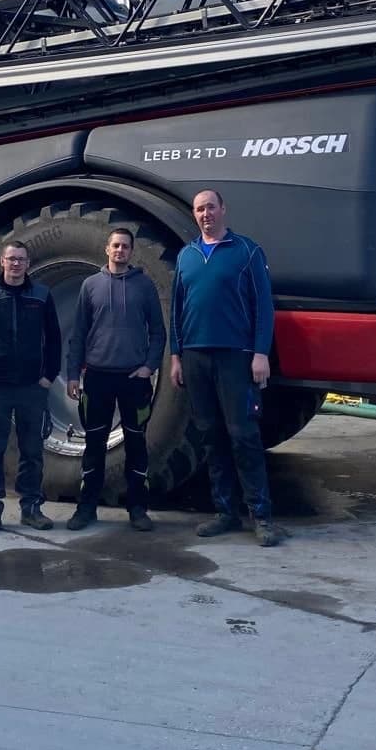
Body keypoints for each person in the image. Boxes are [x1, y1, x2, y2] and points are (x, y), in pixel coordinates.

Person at [169, 188, 280, 547]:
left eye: (211, 208)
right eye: (199, 209)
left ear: (223, 210)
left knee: (243, 435)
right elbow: (176, 310)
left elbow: (264, 306)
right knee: (210, 436)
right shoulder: (185, 256)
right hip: (195, 358)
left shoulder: (247, 252)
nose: (205, 214)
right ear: (194, 214)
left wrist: (260, 353)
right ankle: (225, 513)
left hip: (236, 356)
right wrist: (176, 356)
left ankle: (261, 516)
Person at [64, 227, 166, 532]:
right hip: (96, 378)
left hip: (134, 379)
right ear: (107, 250)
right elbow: (78, 334)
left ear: (131, 252)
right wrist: (72, 374)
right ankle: (86, 508)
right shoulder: (90, 286)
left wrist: (149, 366)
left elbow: (159, 332)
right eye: (116, 246)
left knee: (136, 444)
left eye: (125, 247)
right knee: (94, 445)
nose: (120, 251)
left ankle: (137, 508)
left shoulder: (144, 286)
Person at [0, 240, 62, 534]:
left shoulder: (42, 296)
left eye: (21, 259)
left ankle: (31, 508)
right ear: (2, 263)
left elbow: (55, 339)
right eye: (11, 259)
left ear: (27, 264)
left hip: (32, 387)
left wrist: (48, 376)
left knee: (32, 451)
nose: (16, 264)